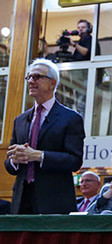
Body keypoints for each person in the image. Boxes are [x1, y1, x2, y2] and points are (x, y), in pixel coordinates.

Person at [4, 58, 85, 214]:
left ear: (52, 83)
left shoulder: (70, 118)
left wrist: (38, 155)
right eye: (29, 77)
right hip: (21, 200)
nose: (31, 81)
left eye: (37, 77)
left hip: (54, 201)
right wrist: (14, 160)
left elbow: (74, 161)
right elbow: (9, 164)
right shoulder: (20, 120)